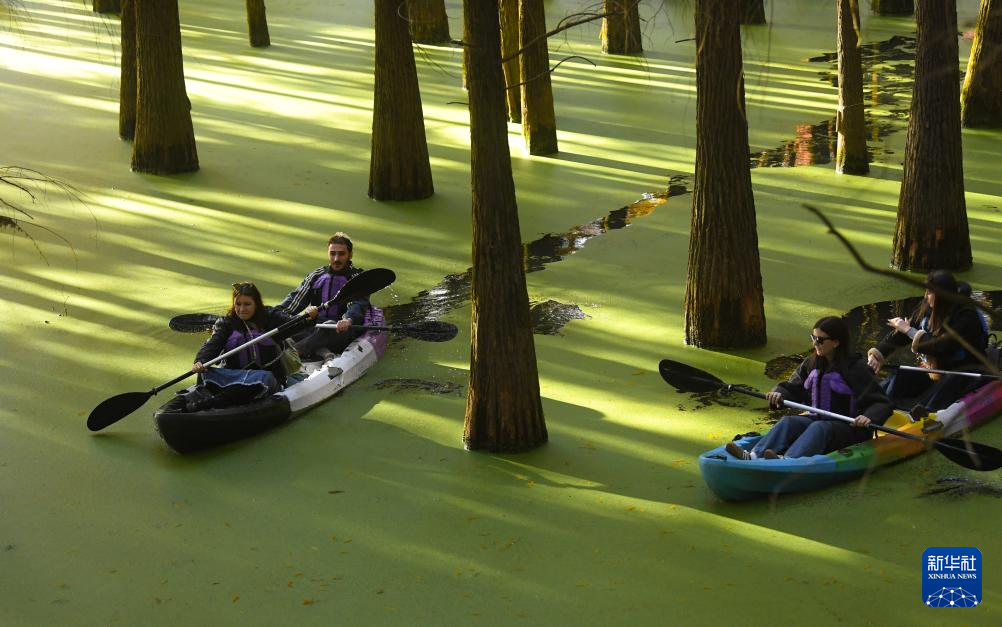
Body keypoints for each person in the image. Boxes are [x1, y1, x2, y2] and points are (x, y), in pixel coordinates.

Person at [726, 316, 893, 460]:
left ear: (836, 342)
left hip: (851, 429)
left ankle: (789, 460)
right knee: (788, 421)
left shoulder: (856, 369)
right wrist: (778, 394)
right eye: (813, 338)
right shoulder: (811, 363)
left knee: (818, 428)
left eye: (820, 340)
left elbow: (882, 403)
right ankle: (755, 456)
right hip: (818, 419)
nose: (815, 343)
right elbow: (792, 387)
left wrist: (868, 417)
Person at [866, 270, 989, 413]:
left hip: (963, 371)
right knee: (899, 376)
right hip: (935, 368)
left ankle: (922, 415)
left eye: (930, 292)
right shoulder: (928, 306)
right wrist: (878, 354)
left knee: (940, 391)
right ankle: (875, 404)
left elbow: (942, 346)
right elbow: (904, 333)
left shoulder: (967, 316)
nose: (925, 296)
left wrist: (909, 331)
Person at [183, 282, 317, 412]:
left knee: (261, 379)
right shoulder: (226, 323)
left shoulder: (271, 316)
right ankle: (210, 399)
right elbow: (212, 344)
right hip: (234, 375)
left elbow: (296, 323)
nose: (242, 309)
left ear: (256, 304)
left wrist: (309, 318)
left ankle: (210, 403)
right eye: (238, 304)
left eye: (247, 304)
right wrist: (201, 360)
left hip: (266, 377)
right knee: (206, 372)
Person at [276, 232, 369, 362]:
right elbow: (294, 301)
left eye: (341, 254)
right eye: (332, 253)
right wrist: (273, 316)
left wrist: (348, 319)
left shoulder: (358, 278)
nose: (336, 259)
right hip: (314, 328)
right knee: (293, 322)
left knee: (328, 325)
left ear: (350, 254)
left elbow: (357, 304)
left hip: (341, 330)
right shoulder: (316, 275)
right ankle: (323, 351)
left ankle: (294, 353)